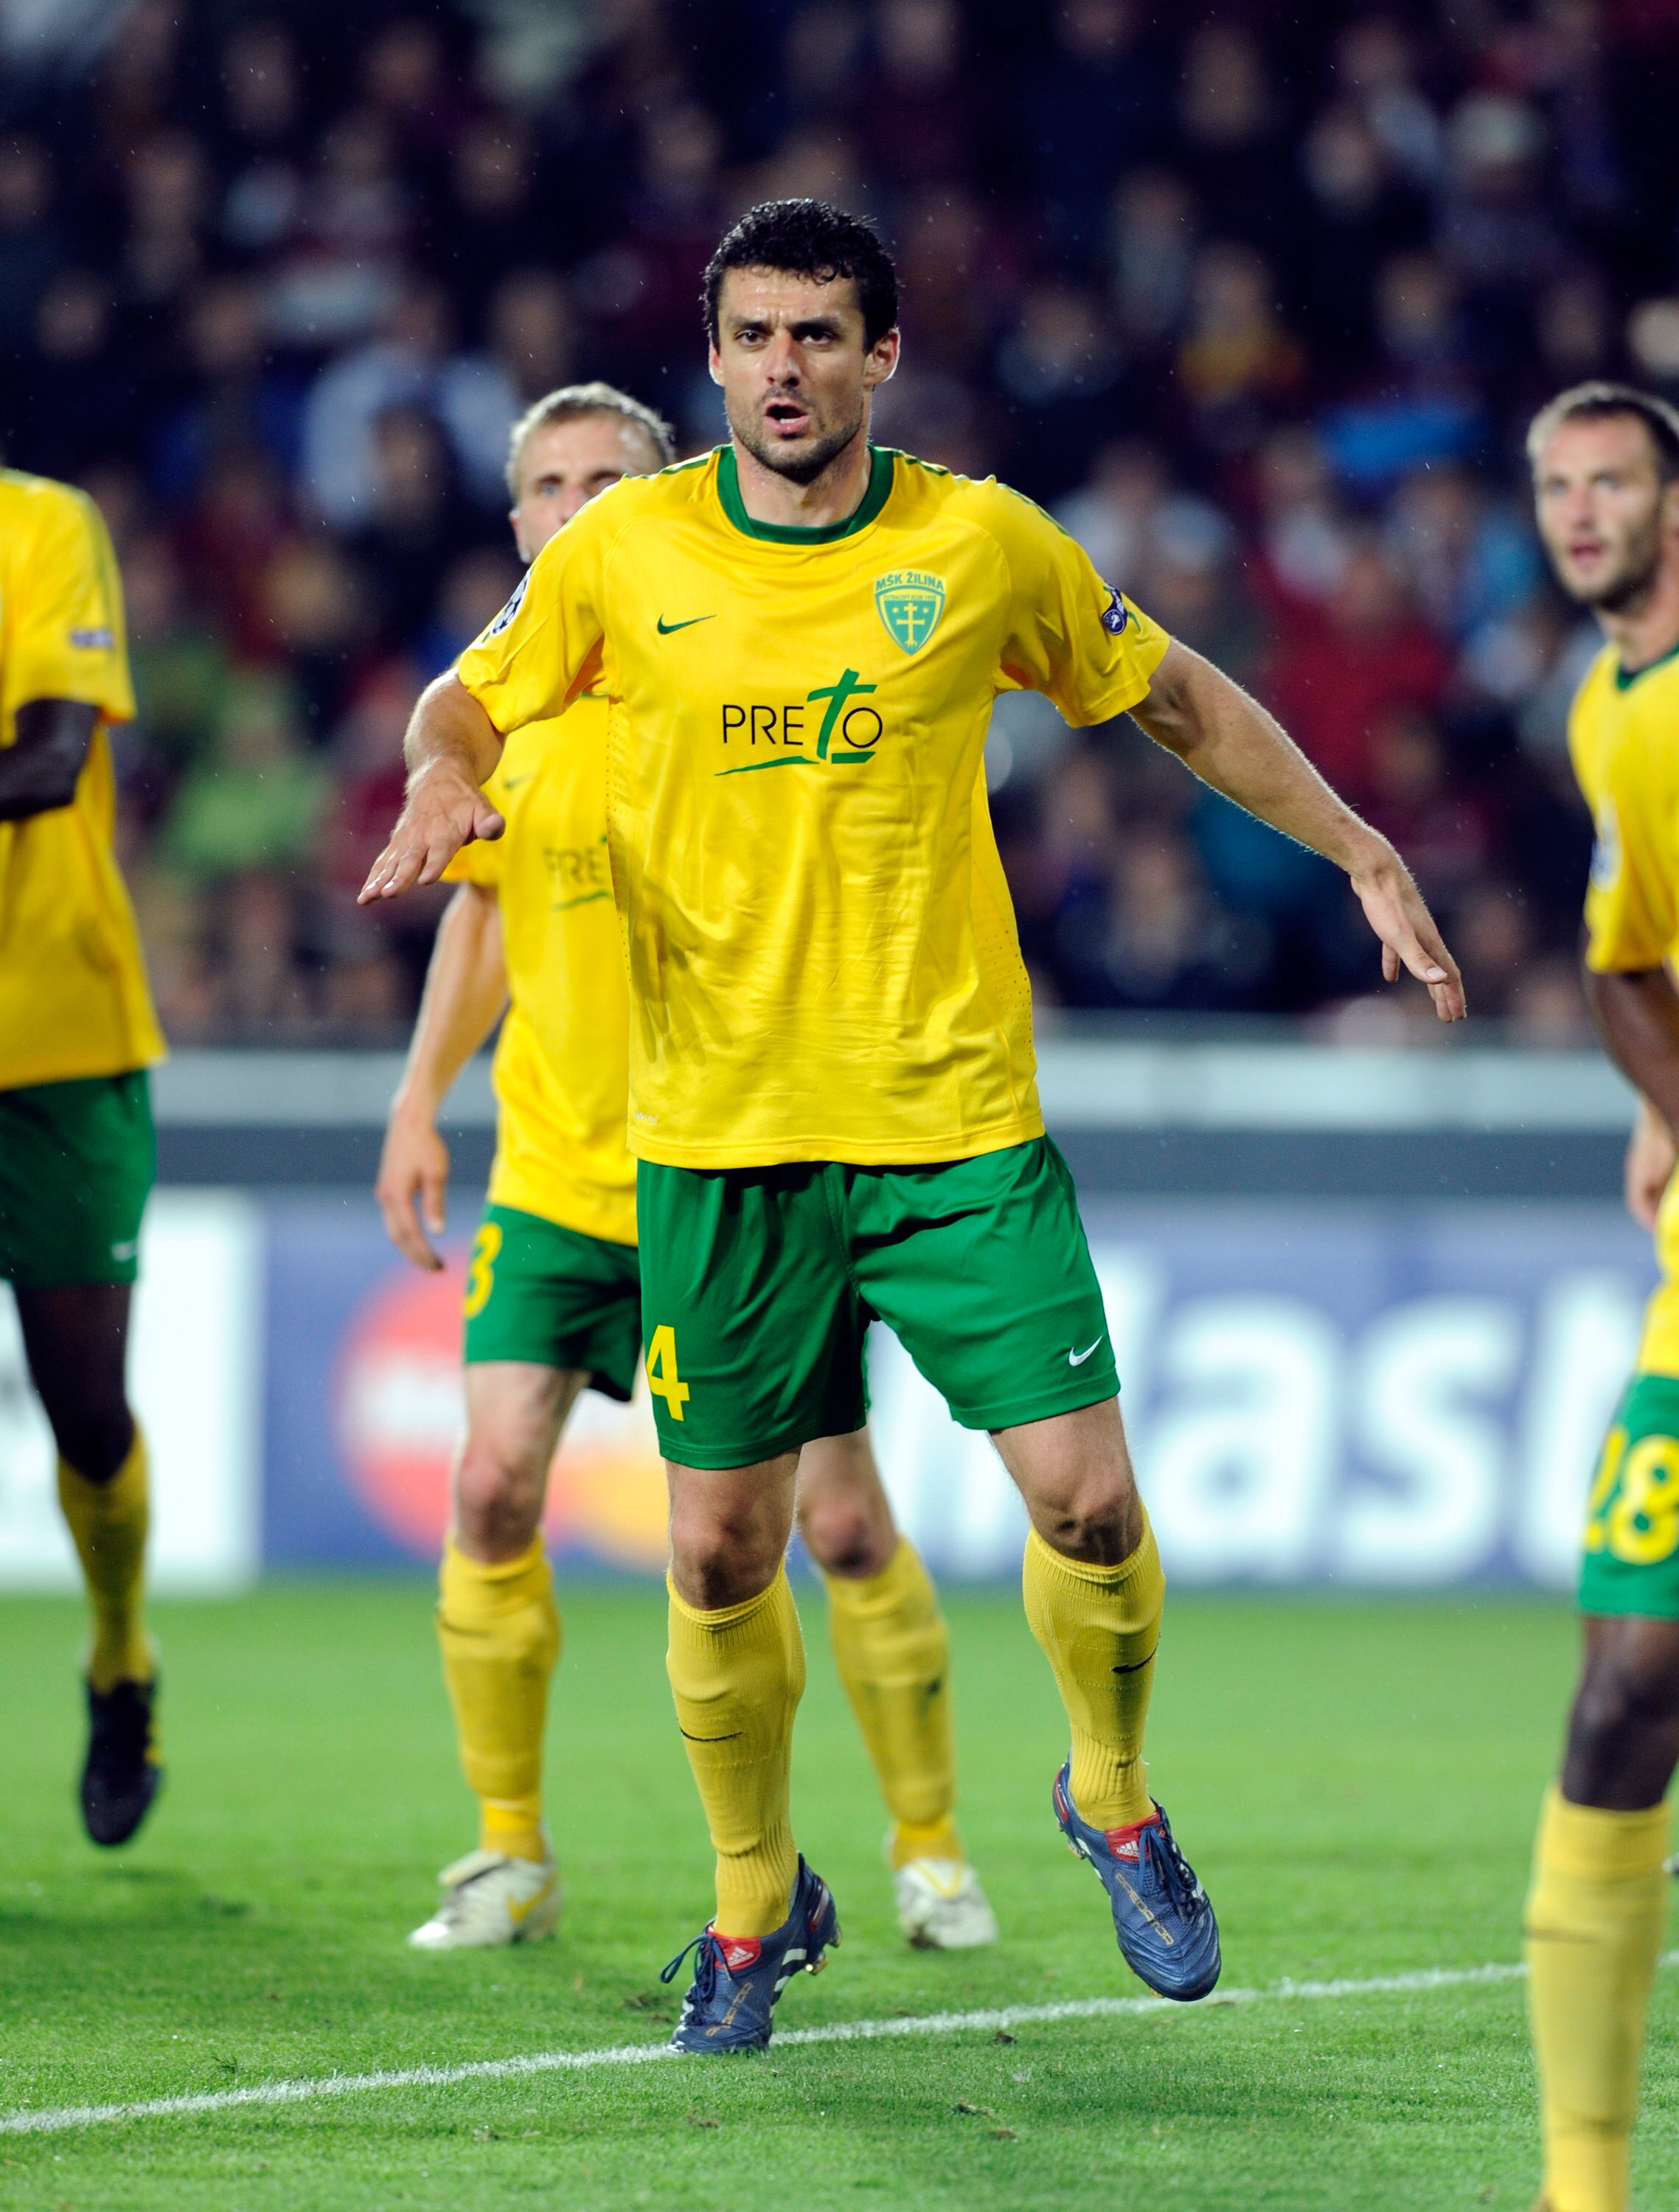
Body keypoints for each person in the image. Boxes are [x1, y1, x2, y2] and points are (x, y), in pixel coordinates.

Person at [361, 200, 1464, 2053]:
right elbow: (458, 699)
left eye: (817, 335)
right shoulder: (622, 549)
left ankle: (1107, 1794)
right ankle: (746, 1910)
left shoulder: (979, 542)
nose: (781, 368)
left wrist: (1357, 846)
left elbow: (1174, 697)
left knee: (1089, 1501)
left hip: (952, 1122)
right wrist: (440, 781)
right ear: (709, 360)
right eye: (751, 336)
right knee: (718, 1553)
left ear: (881, 355)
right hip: (716, 1143)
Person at [376, 380, 997, 1956]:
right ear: (515, 518)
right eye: (547, 483)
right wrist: (414, 1101)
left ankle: (926, 1848)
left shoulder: (717, 670)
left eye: (609, 476)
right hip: (561, 1182)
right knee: (493, 1479)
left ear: (671, 497)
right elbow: (484, 911)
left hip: (737, 1173)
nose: (576, 502)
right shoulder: (507, 711)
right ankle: (507, 1850)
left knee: (833, 1527)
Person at [1524, 380, 1679, 2212]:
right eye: (1553, 488)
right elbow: (1619, 961)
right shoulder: (1602, 710)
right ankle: (1583, 2191)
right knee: (1619, 1685)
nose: (1576, 512)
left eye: (1611, 479)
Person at [0, 462, 164, 1846]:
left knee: (84, 1409)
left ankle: (119, 1656)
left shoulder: (42, 528)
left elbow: (50, 757)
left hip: (55, 1038)